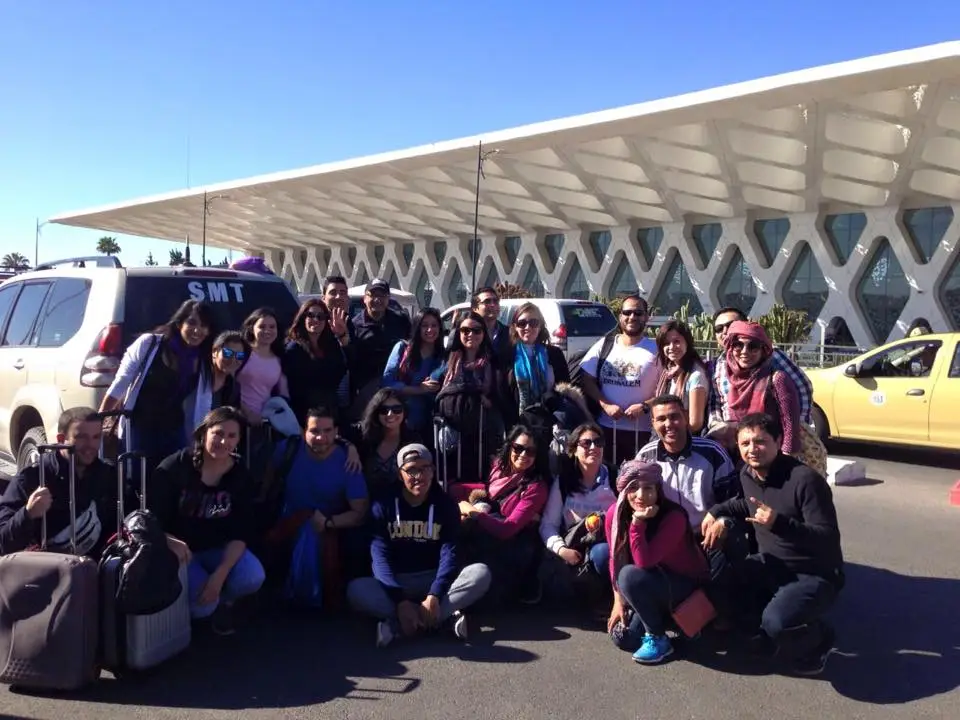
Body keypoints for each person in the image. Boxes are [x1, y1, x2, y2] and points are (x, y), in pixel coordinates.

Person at [702, 413, 844, 675]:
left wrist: (778, 523)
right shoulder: (748, 474)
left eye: (760, 442)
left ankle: (819, 638)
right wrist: (718, 511)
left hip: (812, 573)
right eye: (745, 444)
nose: (752, 450)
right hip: (771, 565)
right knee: (721, 580)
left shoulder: (805, 481)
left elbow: (827, 538)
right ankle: (764, 632)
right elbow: (746, 504)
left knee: (777, 622)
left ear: (778, 441)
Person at [347, 443, 492, 647]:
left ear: (433, 471)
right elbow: (379, 556)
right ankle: (440, 619)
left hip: (435, 578)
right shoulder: (383, 505)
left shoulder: (444, 504)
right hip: (397, 582)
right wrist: (400, 601)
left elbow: (449, 553)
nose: (419, 475)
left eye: (425, 468)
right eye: (412, 469)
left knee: (481, 573)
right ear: (400, 474)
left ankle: (401, 625)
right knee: (356, 590)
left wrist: (435, 594)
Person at [149, 406, 265, 635]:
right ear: (204, 433)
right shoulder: (174, 467)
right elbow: (150, 519)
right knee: (202, 608)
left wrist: (220, 575)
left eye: (232, 436)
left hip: (218, 550)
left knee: (252, 576)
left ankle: (224, 602)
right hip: (182, 552)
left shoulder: (240, 475)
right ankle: (197, 609)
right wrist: (168, 540)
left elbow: (241, 532)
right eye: (218, 433)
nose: (224, 441)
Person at [636, 394, 744, 621]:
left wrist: (722, 520)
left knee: (731, 536)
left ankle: (719, 612)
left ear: (686, 418)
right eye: (661, 419)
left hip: (705, 535)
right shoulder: (646, 457)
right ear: (653, 424)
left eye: (675, 417)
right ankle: (680, 610)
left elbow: (733, 498)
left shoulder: (712, 452)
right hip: (666, 538)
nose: (668, 424)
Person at [606, 460, 708, 664]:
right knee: (623, 638)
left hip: (683, 586)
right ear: (624, 490)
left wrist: (638, 523)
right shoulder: (614, 515)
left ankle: (658, 638)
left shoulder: (674, 516)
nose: (641, 495)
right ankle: (663, 620)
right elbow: (614, 557)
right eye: (633, 487)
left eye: (648, 488)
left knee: (628, 575)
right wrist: (618, 602)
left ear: (658, 490)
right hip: (650, 583)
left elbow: (644, 561)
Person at [268, 406, 369, 606]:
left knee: (310, 531)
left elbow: (360, 513)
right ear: (303, 431)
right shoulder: (287, 450)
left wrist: (328, 522)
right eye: (314, 431)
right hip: (286, 524)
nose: (321, 437)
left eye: (327, 431)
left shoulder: (348, 463)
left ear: (336, 432)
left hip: (327, 528)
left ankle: (305, 599)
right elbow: (270, 473)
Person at [0, 408, 134, 557]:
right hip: (50, 572)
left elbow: (131, 518)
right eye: (81, 437)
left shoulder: (108, 475)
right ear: (60, 439)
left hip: (99, 569)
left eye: (96, 437)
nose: (91, 445)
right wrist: (27, 513)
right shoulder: (33, 477)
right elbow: (3, 542)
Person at [99, 300, 216, 472]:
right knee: (137, 478)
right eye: (191, 323)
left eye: (204, 325)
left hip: (174, 429)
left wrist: (202, 437)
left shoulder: (204, 358)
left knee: (173, 478)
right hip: (140, 425)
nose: (197, 330)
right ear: (179, 323)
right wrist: (98, 421)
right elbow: (120, 383)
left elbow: (204, 402)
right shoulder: (150, 344)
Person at [458, 426, 551, 606]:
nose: (523, 455)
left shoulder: (536, 487)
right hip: (486, 534)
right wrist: (453, 492)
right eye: (519, 448)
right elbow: (485, 491)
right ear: (510, 446)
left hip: (512, 546)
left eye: (531, 451)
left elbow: (507, 529)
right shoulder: (499, 468)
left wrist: (471, 511)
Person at [538, 423, 617, 604]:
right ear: (573, 449)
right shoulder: (564, 482)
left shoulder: (614, 478)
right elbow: (548, 524)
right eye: (586, 443)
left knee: (601, 553)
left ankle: (607, 599)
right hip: (573, 547)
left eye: (598, 442)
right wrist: (562, 549)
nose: (593, 447)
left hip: (607, 548)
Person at [580, 295, 661, 467]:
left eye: (638, 313)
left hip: (643, 432)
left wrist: (645, 406)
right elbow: (587, 379)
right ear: (620, 316)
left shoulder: (657, 350)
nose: (632, 317)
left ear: (646, 317)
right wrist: (606, 405)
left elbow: (668, 391)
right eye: (627, 312)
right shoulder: (605, 344)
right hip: (605, 430)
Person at [709, 321, 803, 458]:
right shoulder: (727, 379)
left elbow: (790, 427)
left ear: (763, 350)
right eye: (738, 345)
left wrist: (785, 462)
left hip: (772, 456)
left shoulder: (777, 379)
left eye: (753, 346)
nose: (744, 352)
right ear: (730, 348)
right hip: (740, 454)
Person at [710, 307, 813, 426]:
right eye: (719, 329)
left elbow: (802, 388)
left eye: (730, 325)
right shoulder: (720, 364)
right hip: (732, 435)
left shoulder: (771, 355)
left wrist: (800, 425)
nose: (725, 331)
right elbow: (717, 401)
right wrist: (717, 426)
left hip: (769, 436)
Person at [348, 278, 413, 421]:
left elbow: (412, 346)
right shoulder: (354, 326)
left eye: (382, 296)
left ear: (388, 298)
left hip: (397, 387)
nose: (377, 300)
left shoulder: (400, 320)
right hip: (367, 389)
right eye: (373, 295)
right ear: (365, 298)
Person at [499, 302, 571, 428]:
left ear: (540, 326)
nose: (528, 327)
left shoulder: (554, 354)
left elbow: (564, 388)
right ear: (515, 326)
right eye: (522, 323)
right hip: (518, 424)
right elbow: (502, 394)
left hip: (548, 422)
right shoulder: (506, 355)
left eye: (533, 323)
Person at [282, 298, 348, 427]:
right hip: (303, 416)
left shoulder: (331, 345)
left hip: (330, 413)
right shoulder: (293, 349)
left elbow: (344, 369)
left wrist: (342, 336)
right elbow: (294, 388)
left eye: (321, 316)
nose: (316, 320)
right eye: (310, 315)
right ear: (303, 318)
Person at [381, 308, 446, 437]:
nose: (430, 330)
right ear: (417, 328)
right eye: (425, 326)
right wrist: (419, 390)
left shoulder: (443, 356)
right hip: (400, 418)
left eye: (434, 325)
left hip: (429, 421)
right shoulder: (402, 348)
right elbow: (387, 382)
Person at [355, 389, 422, 499]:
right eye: (384, 410)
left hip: (399, 504)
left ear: (404, 411)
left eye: (397, 409)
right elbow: (335, 434)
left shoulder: (413, 440)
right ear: (376, 412)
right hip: (365, 501)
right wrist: (350, 448)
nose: (390, 414)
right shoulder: (362, 436)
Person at [654, 320, 710, 434]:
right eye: (666, 343)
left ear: (687, 342)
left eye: (676, 341)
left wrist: (670, 433)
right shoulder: (670, 371)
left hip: (684, 440)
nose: (671, 347)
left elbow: (695, 423)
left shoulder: (695, 376)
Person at [236, 307, 289, 424]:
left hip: (265, 422)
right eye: (262, 327)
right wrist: (248, 414)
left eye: (272, 327)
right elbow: (228, 385)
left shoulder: (279, 359)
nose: (267, 331)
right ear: (251, 328)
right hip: (237, 419)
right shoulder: (242, 353)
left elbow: (283, 394)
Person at [471, 286, 512, 368]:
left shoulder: (509, 333)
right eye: (487, 301)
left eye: (495, 301)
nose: (492, 305)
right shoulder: (465, 333)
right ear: (474, 308)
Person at [209, 331, 249, 410]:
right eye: (227, 353)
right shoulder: (197, 377)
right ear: (214, 352)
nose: (233, 360)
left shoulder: (233, 388)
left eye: (240, 356)